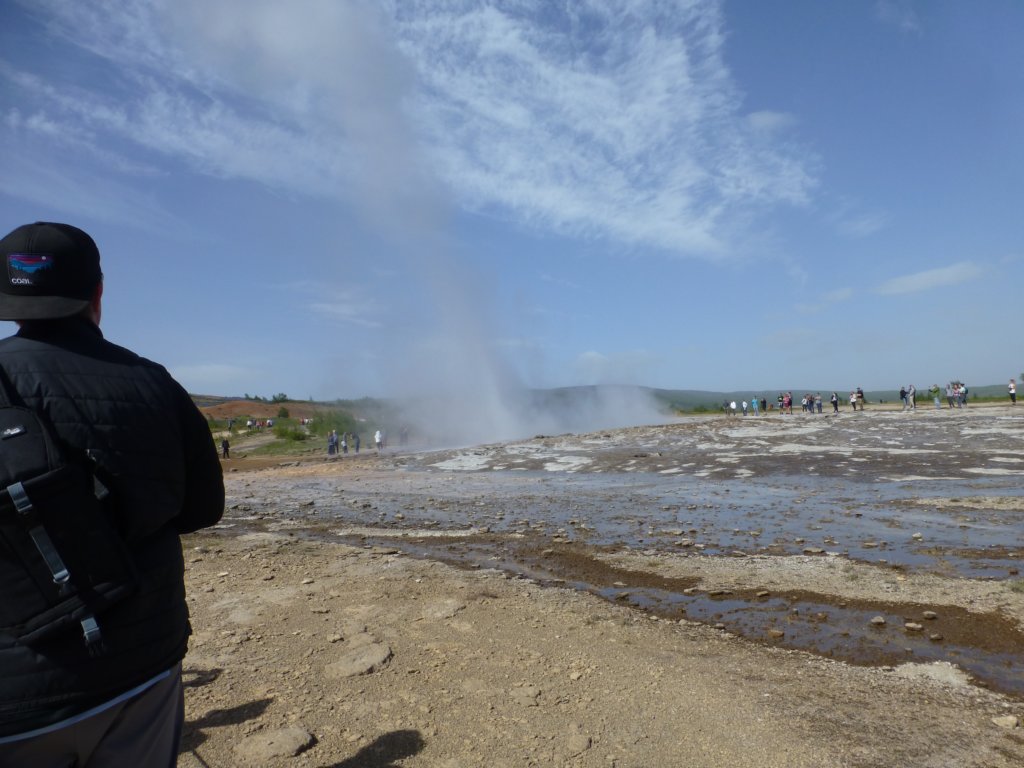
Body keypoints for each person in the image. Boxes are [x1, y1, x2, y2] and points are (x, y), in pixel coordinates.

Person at [0, 222, 224, 765]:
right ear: (97, 293)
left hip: (18, 691)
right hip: (141, 666)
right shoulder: (155, 382)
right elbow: (203, 508)